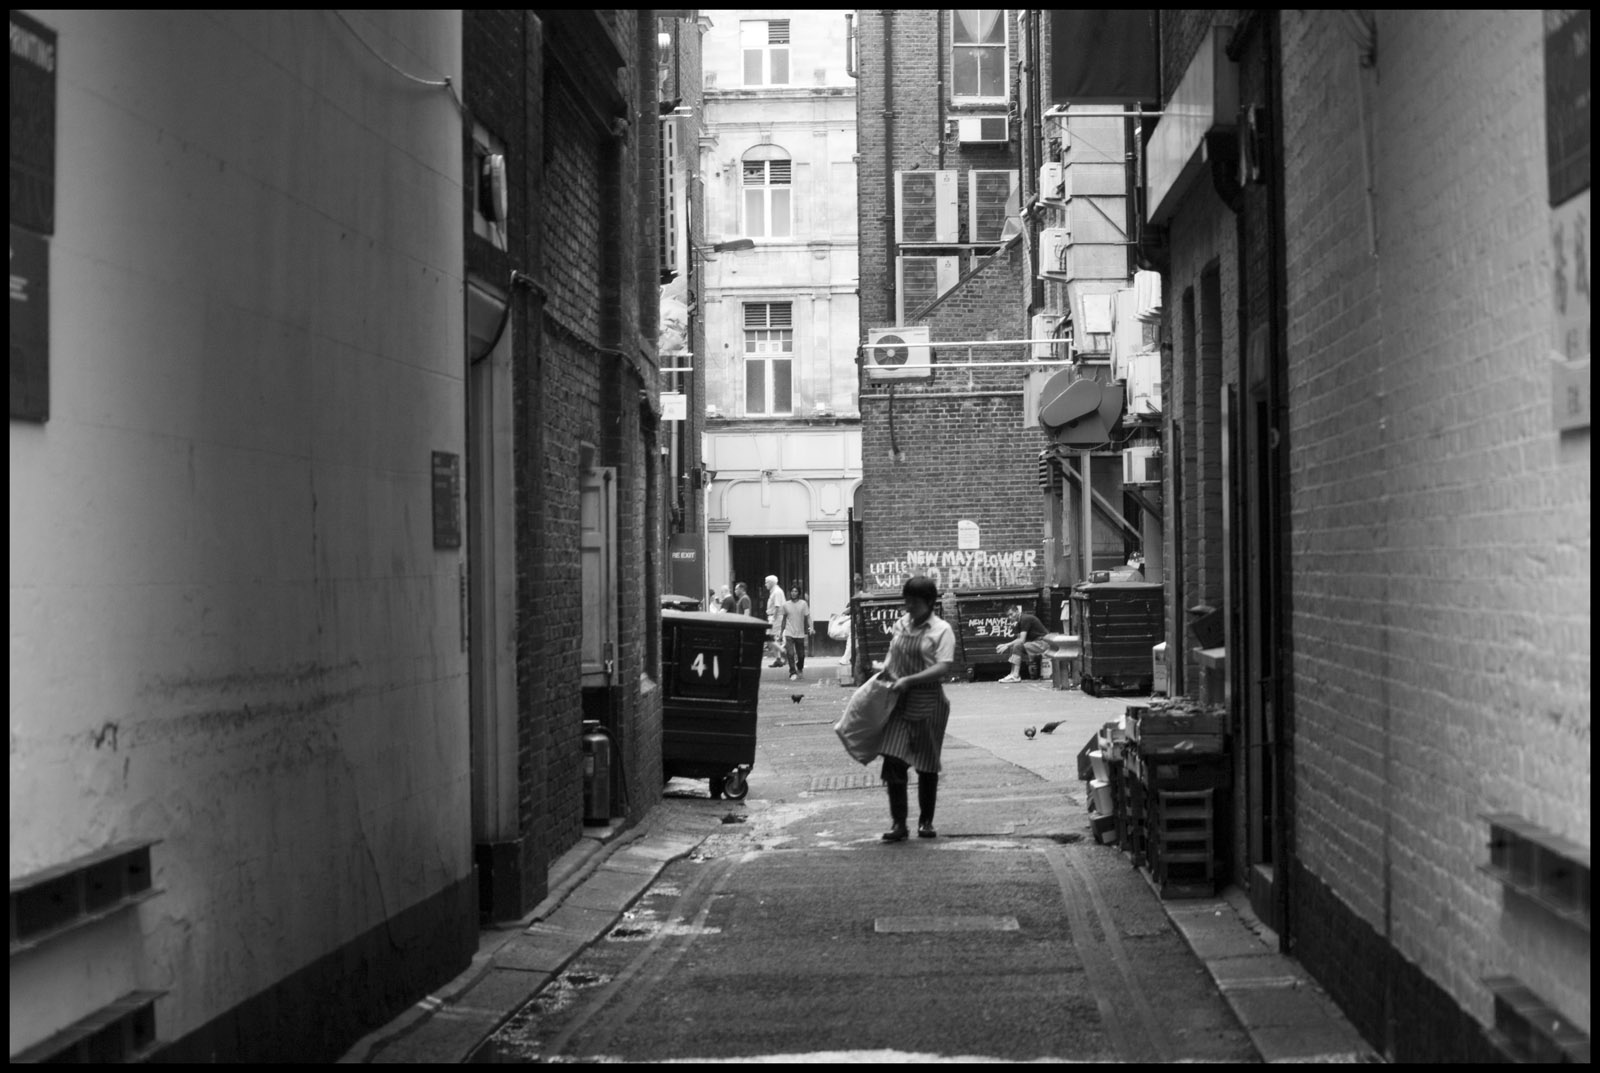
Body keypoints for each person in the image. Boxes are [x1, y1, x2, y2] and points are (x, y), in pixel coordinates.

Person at [876, 576, 956, 841]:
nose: (908, 606)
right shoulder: (901, 624)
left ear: (929, 602)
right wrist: (885, 673)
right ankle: (899, 824)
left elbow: (943, 666)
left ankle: (926, 821)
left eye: (914, 601)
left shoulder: (941, 630)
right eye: (906, 600)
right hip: (899, 701)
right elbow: (893, 653)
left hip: (929, 701)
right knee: (893, 760)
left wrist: (910, 680)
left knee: (926, 763)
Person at [995, 603, 1049, 682]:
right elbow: (1018, 640)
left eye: (1011, 614)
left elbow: (1021, 640)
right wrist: (1008, 645)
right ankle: (1013, 674)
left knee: (1017, 646)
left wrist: (1006, 645)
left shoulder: (1025, 619)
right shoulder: (1018, 623)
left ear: (1017, 611)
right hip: (1036, 643)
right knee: (1015, 646)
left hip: (1043, 643)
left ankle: (1015, 675)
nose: (1010, 617)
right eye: (1008, 616)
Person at [780, 585, 811, 680]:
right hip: (789, 632)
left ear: (799, 593)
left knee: (801, 655)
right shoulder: (785, 605)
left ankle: (800, 667)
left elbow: (808, 617)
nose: (793, 593)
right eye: (792, 591)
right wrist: (781, 632)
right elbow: (784, 619)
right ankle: (792, 671)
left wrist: (811, 627)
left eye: (795, 591)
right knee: (790, 653)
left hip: (800, 633)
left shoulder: (803, 604)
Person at [763, 575, 786, 666]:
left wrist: (773, 619)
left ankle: (783, 652)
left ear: (772, 582)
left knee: (769, 638)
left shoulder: (776, 592)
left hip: (775, 617)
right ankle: (778, 659)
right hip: (773, 617)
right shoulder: (774, 591)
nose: (765, 584)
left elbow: (777, 606)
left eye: (767, 582)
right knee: (773, 639)